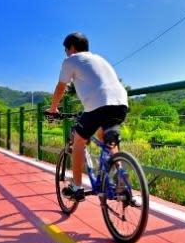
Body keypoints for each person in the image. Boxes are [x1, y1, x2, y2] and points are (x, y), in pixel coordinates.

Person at [48, 32, 128, 202]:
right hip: (121, 103)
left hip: (98, 105)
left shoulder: (72, 60)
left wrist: (53, 109)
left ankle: (77, 188)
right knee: (107, 138)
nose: (66, 53)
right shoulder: (100, 59)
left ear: (72, 47)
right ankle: (119, 174)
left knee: (78, 141)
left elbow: (61, 87)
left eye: (66, 50)